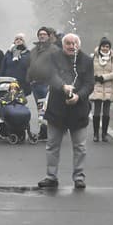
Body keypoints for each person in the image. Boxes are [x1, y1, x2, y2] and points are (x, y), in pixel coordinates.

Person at [37, 33, 94, 189]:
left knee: (80, 147)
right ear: (63, 45)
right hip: (57, 109)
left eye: (74, 43)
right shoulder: (54, 57)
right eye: (68, 43)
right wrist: (63, 86)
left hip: (79, 110)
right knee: (52, 145)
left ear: (79, 45)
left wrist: (78, 96)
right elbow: (51, 76)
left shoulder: (87, 61)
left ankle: (79, 177)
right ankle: (51, 176)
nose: (71, 46)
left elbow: (89, 84)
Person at [26, 27, 58, 141]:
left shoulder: (54, 49)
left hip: (47, 84)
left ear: (49, 36)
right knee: (40, 110)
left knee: (48, 109)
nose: (42, 36)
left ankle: (52, 132)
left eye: (44, 34)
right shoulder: (34, 50)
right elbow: (30, 65)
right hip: (35, 84)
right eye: (40, 34)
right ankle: (43, 132)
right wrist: (28, 78)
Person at [90, 37, 113, 142]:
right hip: (96, 86)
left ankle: (104, 134)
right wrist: (96, 77)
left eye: (107, 46)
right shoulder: (95, 56)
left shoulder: (112, 57)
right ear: (100, 46)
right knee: (96, 111)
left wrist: (104, 77)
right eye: (103, 46)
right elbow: (90, 69)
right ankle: (96, 134)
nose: (105, 48)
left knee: (106, 112)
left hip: (108, 86)